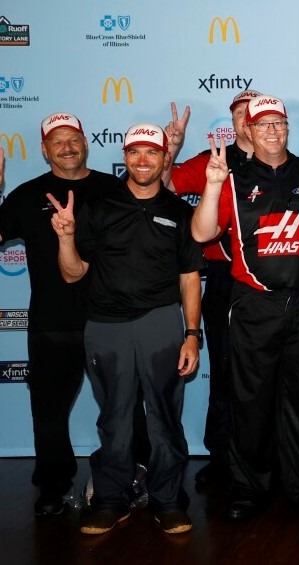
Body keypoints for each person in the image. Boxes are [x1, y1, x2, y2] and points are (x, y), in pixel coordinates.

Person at [190, 95, 299, 522]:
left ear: (288, 128)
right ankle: (248, 489)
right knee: (250, 402)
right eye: (263, 125)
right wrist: (214, 184)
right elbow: (203, 232)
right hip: (254, 305)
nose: (272, 131)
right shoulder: (232, 176)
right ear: (248, 131)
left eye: (280, 123)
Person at [50, 123, 204, 534]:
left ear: (163, 158)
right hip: (105, 325)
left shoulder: (179, 210)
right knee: (114, 417)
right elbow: (73, 273)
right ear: (125, 156)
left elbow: (190, 277)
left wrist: (192, 334)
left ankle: (168, 500)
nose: (142, 160)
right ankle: (110, 499)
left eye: (151, 152)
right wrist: (66, 238)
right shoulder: (100, 206)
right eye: (134, 152)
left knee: (165, 417)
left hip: (161, 322)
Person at [0, 114, 123, 518]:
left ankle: (124, 481)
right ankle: (52, 488)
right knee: (48, 415)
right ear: (44, 149)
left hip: (111, 320)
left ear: (85, 142)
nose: (67, 146)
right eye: (58, 141)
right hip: (51, 325)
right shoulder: (24, 195)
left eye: (73, 139)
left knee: (123, 409)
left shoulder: (113, 189)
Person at [166, 89, 260, 487]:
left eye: (253, 115)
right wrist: (170, 149)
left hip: (272, 282)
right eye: (239, 114)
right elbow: (165, 184)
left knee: (268, 373)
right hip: (223, 280)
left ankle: (266, 457)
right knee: (223, 371)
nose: (246, 121)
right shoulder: (213, 161)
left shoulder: (284, 165)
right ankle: (221, 457)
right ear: (233, 121)